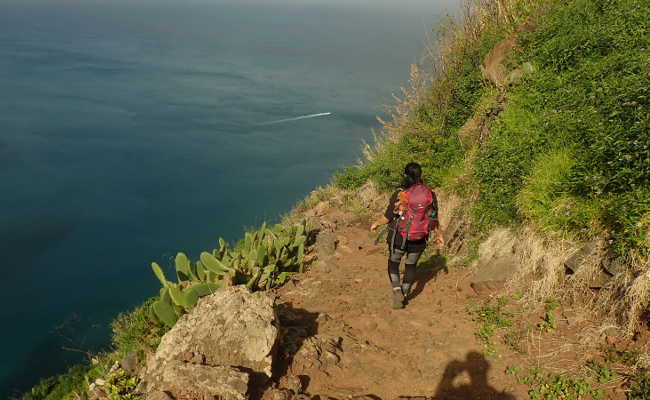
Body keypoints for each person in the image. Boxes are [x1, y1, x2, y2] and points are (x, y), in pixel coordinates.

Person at [370, 162, 443, 309]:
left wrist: (376, 223)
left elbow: (388, 217)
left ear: (405, 175)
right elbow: (433, 216)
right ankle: (404, 293)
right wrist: (439, 234)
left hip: (399, 237)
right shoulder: (429, 193)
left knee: (394, 263)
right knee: (411, 266)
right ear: (420, 175)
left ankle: (397, 290)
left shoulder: (401, 193)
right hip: (419, 238)